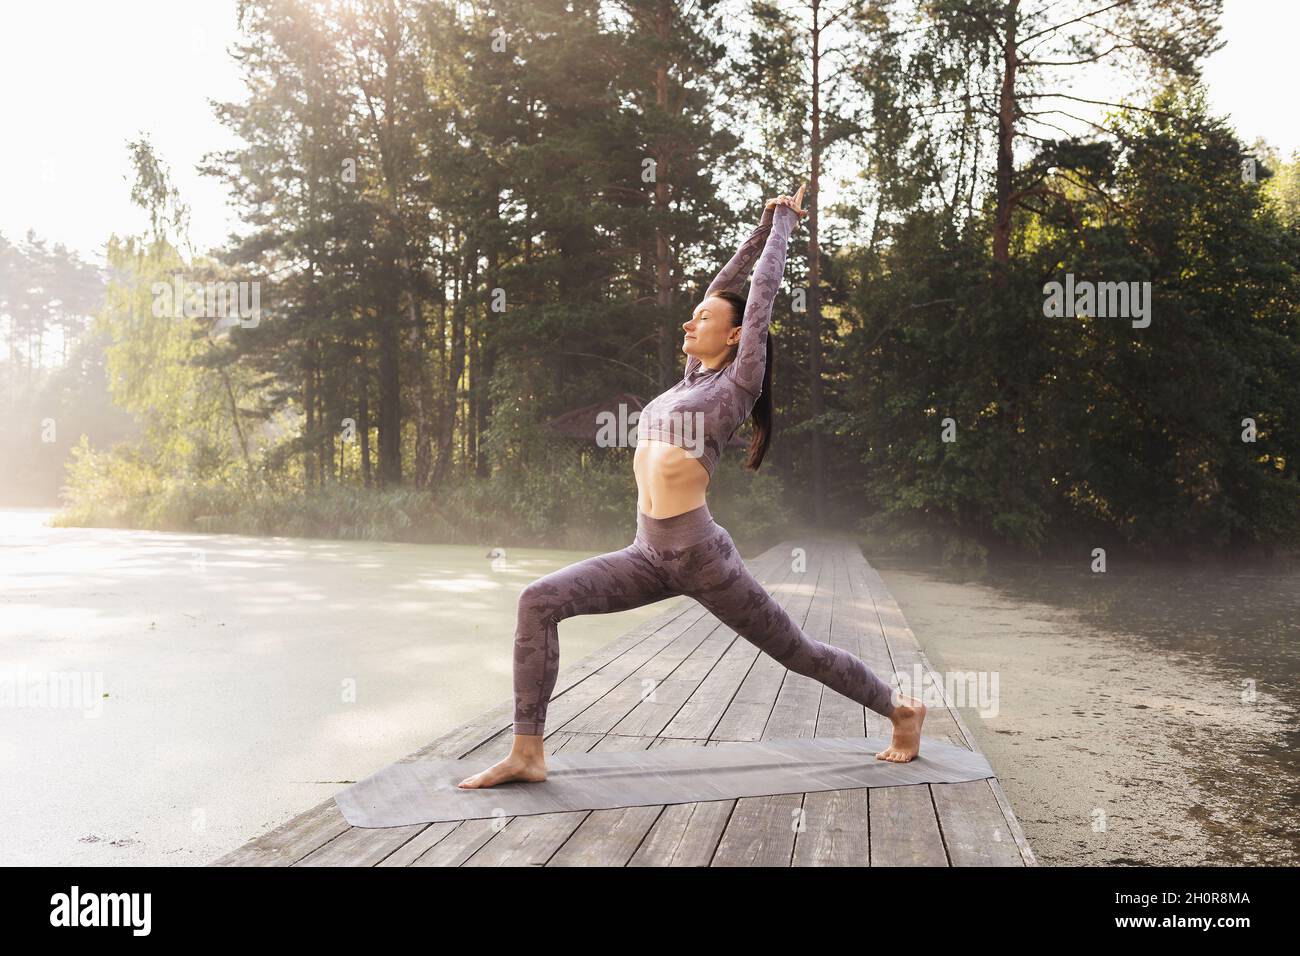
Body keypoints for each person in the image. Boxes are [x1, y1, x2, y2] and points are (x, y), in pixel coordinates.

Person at [458, 185, 926, 789]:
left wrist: (782, 222)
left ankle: (902, 709)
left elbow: (756, 297)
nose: (692, 318)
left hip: (703, 559)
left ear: (735, 338)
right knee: (538, 601)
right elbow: (724, 289)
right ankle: (527, 752)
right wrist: (757, 227)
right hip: (646, 554)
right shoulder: (686, 381)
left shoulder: (737, 384)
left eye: (705, 319)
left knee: (799, 653)